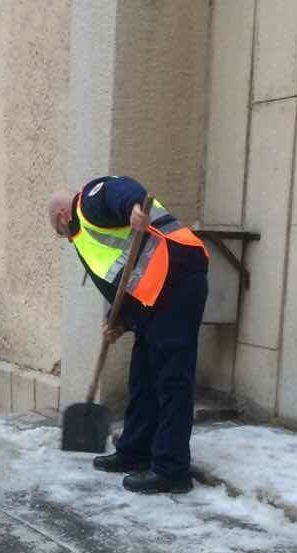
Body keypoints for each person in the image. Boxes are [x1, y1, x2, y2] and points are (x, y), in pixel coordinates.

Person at [48, 177, 208, 494]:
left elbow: (117, 190)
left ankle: (171, 469)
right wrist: (116, 320)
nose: (64, 239)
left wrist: (133, 208)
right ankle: (135, 451)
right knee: (143, 375)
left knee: (172, 378)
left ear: (61, 217)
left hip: (177, 273)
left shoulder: (88, 201)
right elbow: (119, 279)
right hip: (154, 292)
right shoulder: (84, 239)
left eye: (59, 233)